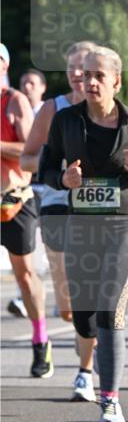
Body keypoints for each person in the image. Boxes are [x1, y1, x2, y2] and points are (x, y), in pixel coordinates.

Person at [39, 46, 128, 422]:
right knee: (84, 319)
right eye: (84, 75)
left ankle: (110, 400)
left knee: (112, 311)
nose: (89, 81)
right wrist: (63, 179)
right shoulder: (65, 120)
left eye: (98, 76)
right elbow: (45, 168)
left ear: (116, 81)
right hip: (81, 229)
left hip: (125, 228)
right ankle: (91, 348)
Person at [20, 42, 97, 399]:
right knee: (68, 307)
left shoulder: (111, 112)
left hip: (99, 207)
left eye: (82, 67)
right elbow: (26, 159)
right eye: (70, 69)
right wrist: (58, 167)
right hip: (56, 203)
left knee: (92, 294)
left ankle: (87, 369)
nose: (76, 75)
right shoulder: (53, 108)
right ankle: (80, 336)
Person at [1, 43, 53, 376]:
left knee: (25, 275)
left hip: (13, 199)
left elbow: (32, 151)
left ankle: (40, 340)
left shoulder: (14, 101)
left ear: (4, 64)